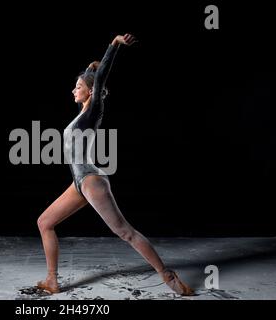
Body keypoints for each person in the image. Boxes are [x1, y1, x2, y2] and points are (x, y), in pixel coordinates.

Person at [36, 34, 193, 296]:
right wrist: (89, 68)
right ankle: (52, 280)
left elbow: (100, 78)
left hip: (90, 179)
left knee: (125, 233)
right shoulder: (82, 114)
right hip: (78, 183)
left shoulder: (94, 108)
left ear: (90, 90)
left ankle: (168, 277)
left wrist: (114, 44)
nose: (73, 90)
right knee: (45, 222)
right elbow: (93, 75)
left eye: (78, 86)